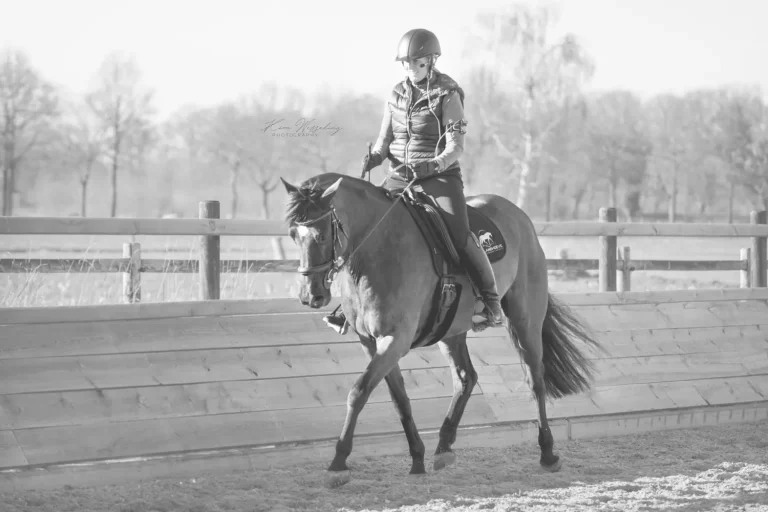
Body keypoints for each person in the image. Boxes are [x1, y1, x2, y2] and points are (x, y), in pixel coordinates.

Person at [323, 28, 503, 334]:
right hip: (400, 176)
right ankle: (350, 305)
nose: (410, 68)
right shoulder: (395, 94)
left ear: (431, 61)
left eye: (416, 62)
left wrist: (433, 165)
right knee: (368, 226)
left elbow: (456, 147)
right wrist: (374, 157)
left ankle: (490, 301)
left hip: (440, 177)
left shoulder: (448, 94)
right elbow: (384, 142)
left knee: (459, 235)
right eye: (405, 63)